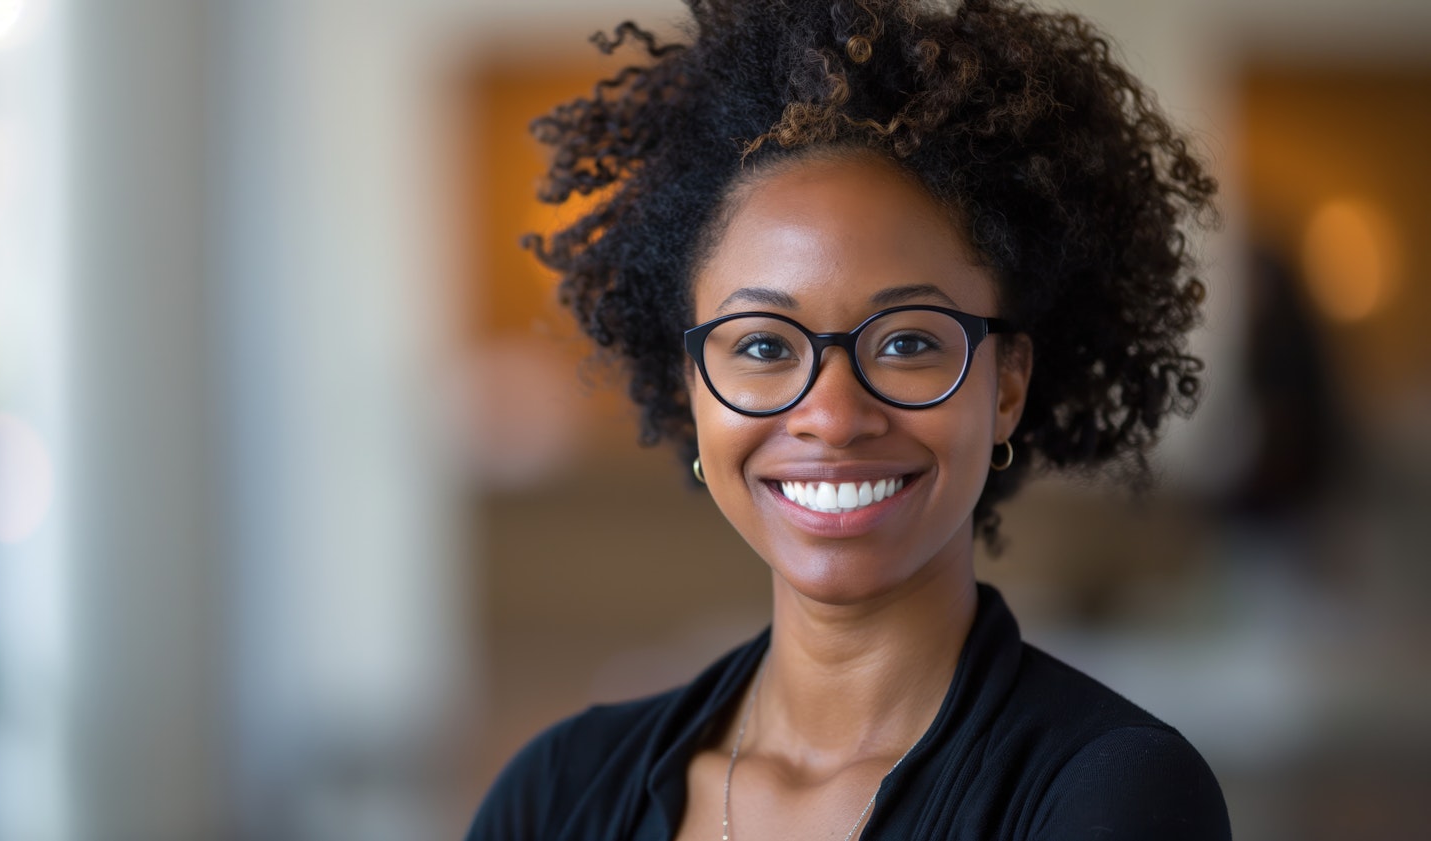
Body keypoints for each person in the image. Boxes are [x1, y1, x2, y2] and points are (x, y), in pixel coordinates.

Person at [467, 0, 1230, 838]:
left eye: (906, 341)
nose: (831, 415)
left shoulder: (1107, 794)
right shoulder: (557, 794)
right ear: (692, 387)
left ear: (1007, 384)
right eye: (761, 347)